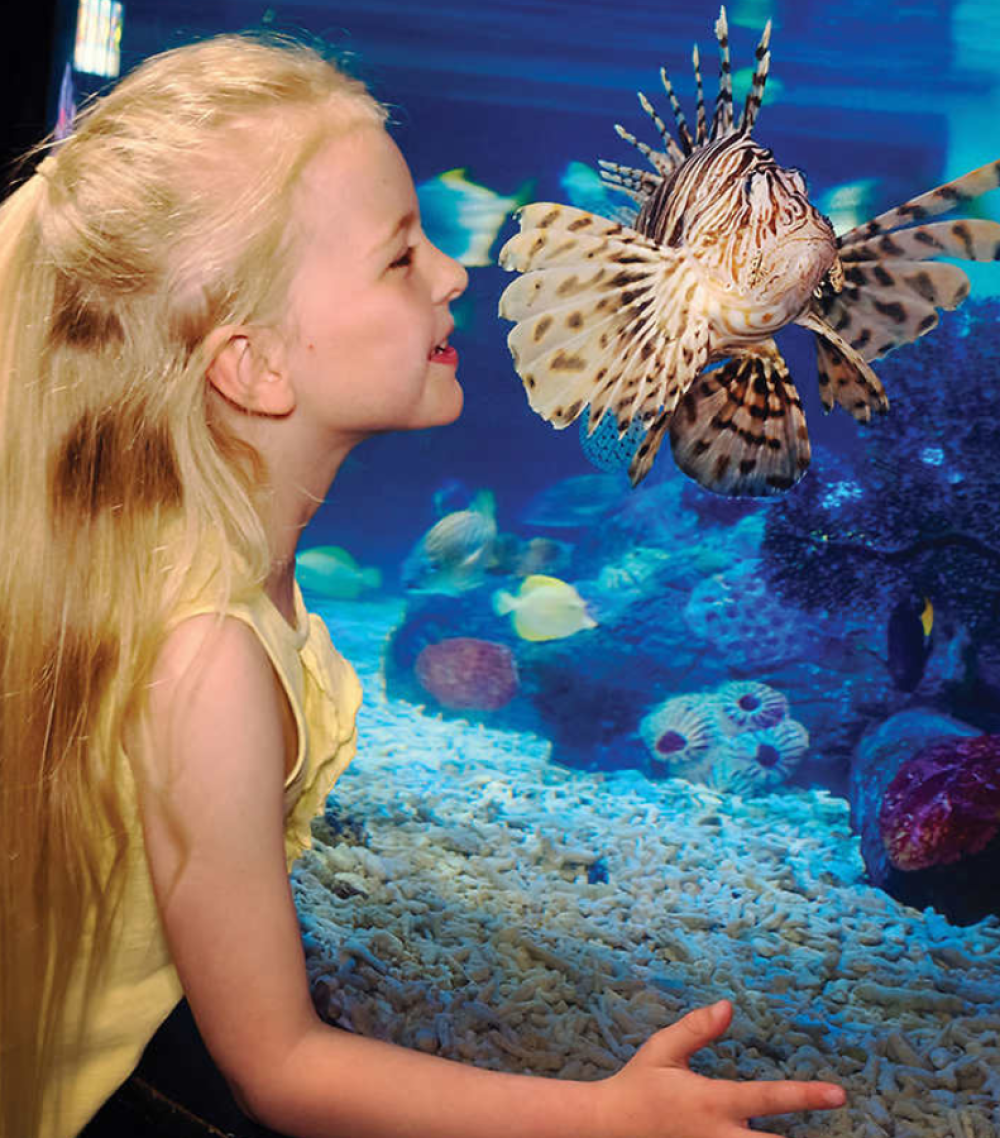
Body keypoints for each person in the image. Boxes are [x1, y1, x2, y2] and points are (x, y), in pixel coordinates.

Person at [0, 33, 848, 1138]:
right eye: (402, 256)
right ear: (254, 364)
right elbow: (279, 1064)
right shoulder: (204, 658)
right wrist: (608, 1119)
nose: (455, 270)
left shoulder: (166, 537)